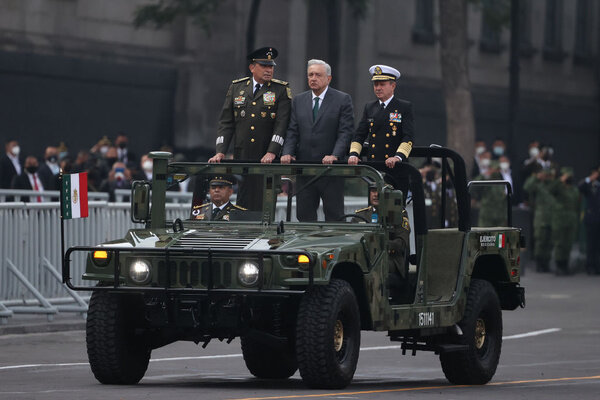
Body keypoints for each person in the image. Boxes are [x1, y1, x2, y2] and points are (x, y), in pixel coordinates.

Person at [209, 46, 292, 211]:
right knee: (244, 201)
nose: (269, 70)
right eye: (264, 66)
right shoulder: (237, 88)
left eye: (271, 67)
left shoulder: (280, 90)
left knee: (265, 202)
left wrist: (272, 151)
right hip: (243, 154)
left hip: (266, 156)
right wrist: (220, 150)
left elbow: (282, 124)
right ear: (252, 67)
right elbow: (226, 122)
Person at [281, 59, 354, 221]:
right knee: (304, 215)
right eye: (310, 75)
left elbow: (345, 132)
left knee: (334, 216)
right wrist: (287, 152)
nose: (313, 78)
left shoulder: (342, 99)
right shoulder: (299, 100)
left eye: (318, 75)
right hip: (305, 169)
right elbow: (292, 131)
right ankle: (307, 248)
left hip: (330, 170)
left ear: (328, 78)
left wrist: (335, 155)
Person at [348, 64, 414, 169]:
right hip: (373, 165)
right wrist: (354, 154)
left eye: (382, 84)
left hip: (395, 165)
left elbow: (408, 137)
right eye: (375, 85)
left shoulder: (403, 107)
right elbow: (359, 135)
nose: (378, 88)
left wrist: (398, 157)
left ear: (393, 86)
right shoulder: (369, 107)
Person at [524, 168, 557, 272]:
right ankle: (539, 264)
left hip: (552, 218)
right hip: (541, 218)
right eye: (546, 175)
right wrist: (536, 177)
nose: (548, 178)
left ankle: (546, 264)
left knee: (550, 242)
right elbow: (527, 187)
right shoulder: (538, 185)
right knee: (540, 242)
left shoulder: (554, 186)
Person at [550, 167, 580, 276]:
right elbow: (550, 190)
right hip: (559, 220)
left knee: (568, 244)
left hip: (571, 220)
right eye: (567, 176)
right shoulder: (558, 188)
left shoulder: (574, 190)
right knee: (560, 244)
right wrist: (559, 181)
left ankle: (565, 265)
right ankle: (559, 265)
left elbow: (576, 205)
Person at [578, 167, 600, 275]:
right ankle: (590, 266)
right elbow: (580, 186)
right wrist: (590, 178)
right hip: (591, 219)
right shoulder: (588, 185)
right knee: (591, 245)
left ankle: (597, 266)